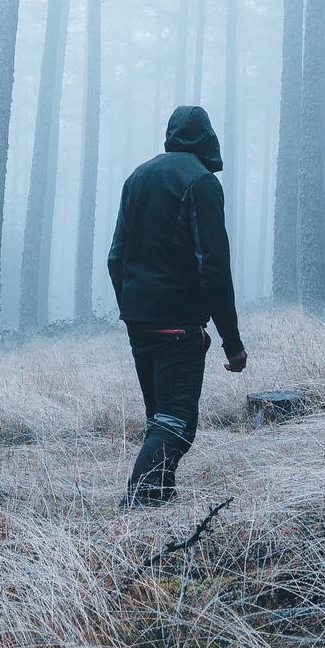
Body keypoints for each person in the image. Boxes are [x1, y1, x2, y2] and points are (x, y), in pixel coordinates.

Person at [107, 106, 248, 506]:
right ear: (208, 139)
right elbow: (213, 266)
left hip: (140, 322)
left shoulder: (137, 178)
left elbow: (116, 258)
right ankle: (135, 512)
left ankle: (157, 516)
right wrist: (232, 343)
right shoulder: (200, 183)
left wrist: (134, 308)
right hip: (178, 326)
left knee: (160, 420)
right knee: (176, 425)